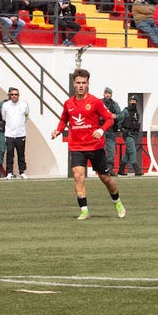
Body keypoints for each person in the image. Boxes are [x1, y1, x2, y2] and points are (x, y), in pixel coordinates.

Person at [50, 68, 126, 220]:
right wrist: (58, 130)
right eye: (78, 83)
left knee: (106, 179)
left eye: (83, 83)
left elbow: (110, 119)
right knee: (78, 176)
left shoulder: (95, 102)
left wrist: (101, 130)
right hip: (77, 147)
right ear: (74, 84)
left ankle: (117, 202)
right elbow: (64, 119)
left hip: (95, 147)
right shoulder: (68, 103)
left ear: (88, 84)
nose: (80, 86)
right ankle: (84, 210)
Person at [0, 87, 30, 179]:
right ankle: (9, 172)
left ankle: (22, 172)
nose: (14, 96)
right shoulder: (5, 105)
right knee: (10, 154)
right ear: (9, 95)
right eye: (12, 94)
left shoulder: (24, 105)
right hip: (9, 134)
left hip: (20, 134)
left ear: (18, 95)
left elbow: (26, 117)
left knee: (21, 154)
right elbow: (4, 117)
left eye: (16, 94)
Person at [100, 87, 124, 173]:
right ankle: (101, 167)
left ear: (111, 95)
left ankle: (110, 169)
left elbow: (120, 115)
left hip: (111, 130)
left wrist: (115, 116)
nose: (107, 95)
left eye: (109, 93)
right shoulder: (99, 103)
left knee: (110, 150)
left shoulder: (114, 104)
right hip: (101, 128)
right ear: (103, 94)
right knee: (101, 149)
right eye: (106, 93)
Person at [119, 95, 143, 176]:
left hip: (134, 134)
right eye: (132, 101)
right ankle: (137, 170)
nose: (133, 102)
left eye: (134, 101)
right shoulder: (126, 111)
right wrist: (122, 130)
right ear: (129, 101)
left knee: (128, 153)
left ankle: (121, 169)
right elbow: (119, 121)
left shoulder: (136, 113)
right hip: (128, 134)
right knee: (132, 152)